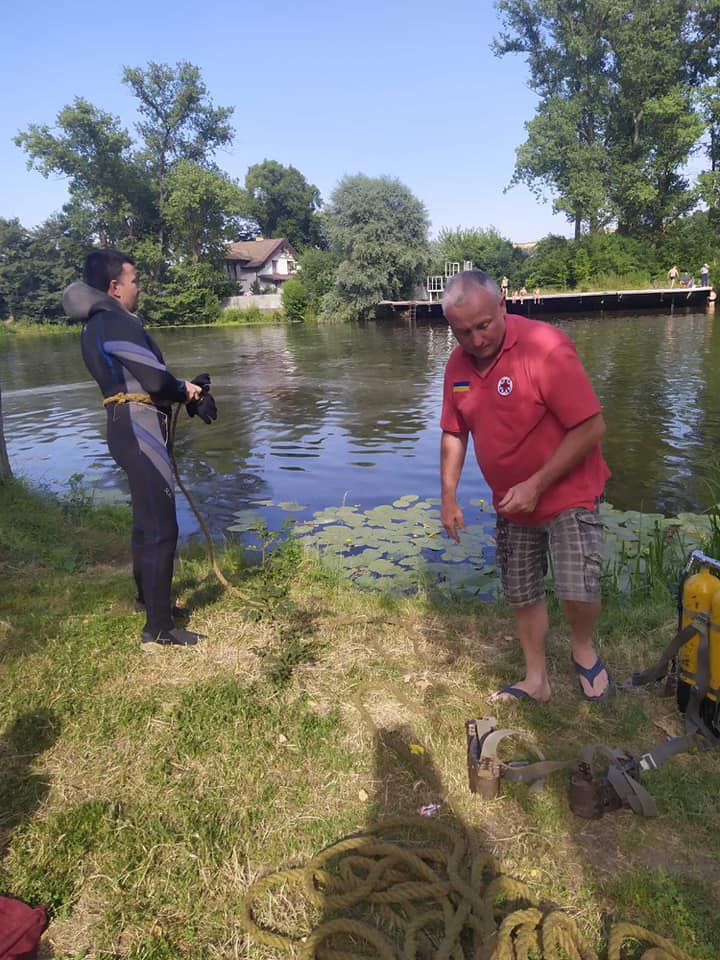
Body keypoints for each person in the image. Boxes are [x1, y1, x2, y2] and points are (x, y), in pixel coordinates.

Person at [440, 270, 611, 703]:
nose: (475, 340)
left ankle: (582, 644)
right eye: (462, 331)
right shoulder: (457, 367)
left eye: (483, 325)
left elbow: (591, 426)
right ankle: (537, 679)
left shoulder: (545, 346)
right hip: (512, 500)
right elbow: (454, 432)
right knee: (521, 591)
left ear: (503, 307)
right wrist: (448, 496)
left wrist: (537, 483)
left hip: (568, 489)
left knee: (578, 588)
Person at [62, 249, 216, 650]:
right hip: (140, 431)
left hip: (123, 428)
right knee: (162, 527)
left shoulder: (96, 325)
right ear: (114, 287)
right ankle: (159, 630)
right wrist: (185, 391)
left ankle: (150, 602)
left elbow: (136, 380)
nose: (139, 287)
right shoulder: (116, 321)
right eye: (134, 280)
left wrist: (183, 388)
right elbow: (153, 381)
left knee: (145, 522)